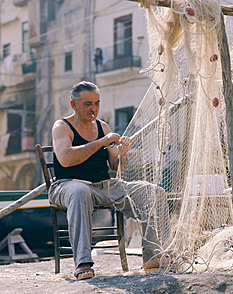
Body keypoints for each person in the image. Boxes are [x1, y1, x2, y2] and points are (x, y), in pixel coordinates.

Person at [48, 81, 169, 280]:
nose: (93, 109)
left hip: (104, 186)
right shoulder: (62, 126)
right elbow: (66, 159)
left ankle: (152, 256)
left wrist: (123, 153)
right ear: (74, 104)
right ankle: (83, 263)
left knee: (154, 192)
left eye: (96, 103)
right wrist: (102, 142)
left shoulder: (102, 126)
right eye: (87, 104)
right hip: (67, 185)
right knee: (80, 191)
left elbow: (116, 166)